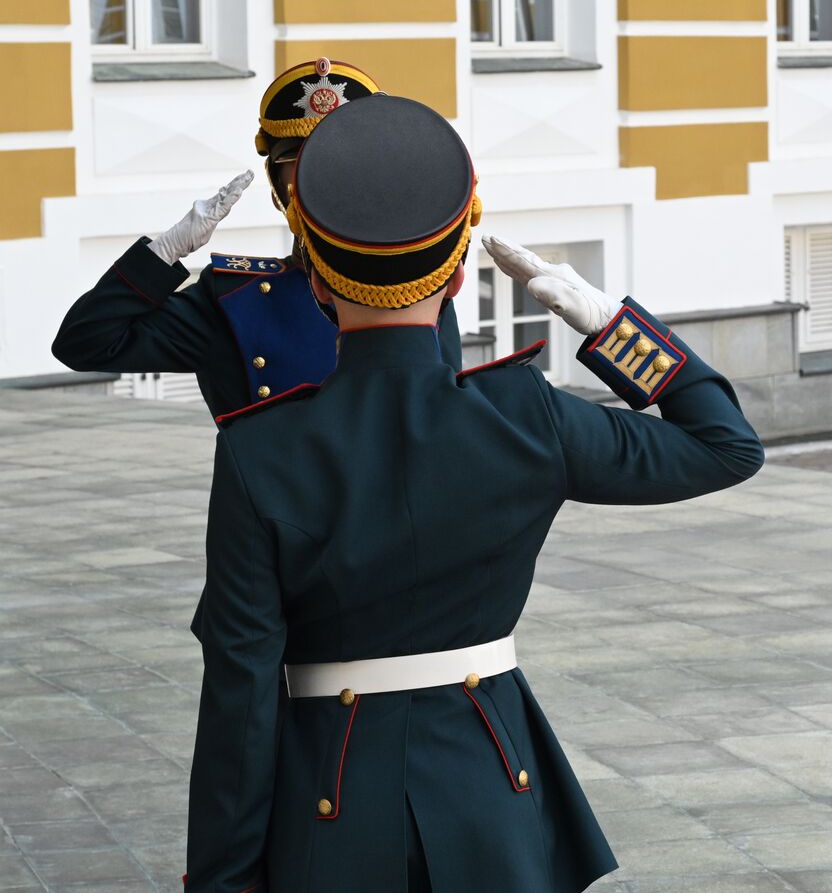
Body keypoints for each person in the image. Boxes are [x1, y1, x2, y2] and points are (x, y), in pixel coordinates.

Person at [183, 93, 764, 892]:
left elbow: (239, 698)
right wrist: (604, 322)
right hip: (493, 785)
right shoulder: (526, 417)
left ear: (316, 281)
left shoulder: (260, 449)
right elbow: (724, 444)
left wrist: (222, 879)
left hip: (332, 801)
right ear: (457, 276)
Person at [51, 58, 462, 419]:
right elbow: (85, 343)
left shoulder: (417, 283)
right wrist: (165, 252)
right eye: (303, 171)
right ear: (278, 195)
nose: (323, 188)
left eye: (340, 170)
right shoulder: (234, 299)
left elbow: (446, 419)